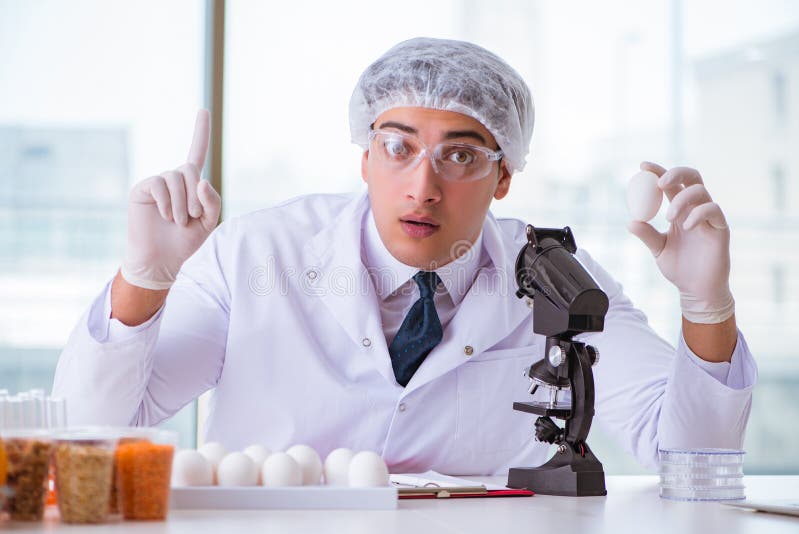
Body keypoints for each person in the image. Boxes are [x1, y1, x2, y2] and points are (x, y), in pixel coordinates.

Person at [52, 37, 756, 475]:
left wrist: (706, 308)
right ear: (365, 157)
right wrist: (143, 282)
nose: (423, 185)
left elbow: (690, 459)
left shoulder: (558, 277)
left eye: (459, 154)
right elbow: (89, 429)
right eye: (398, 146)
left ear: (503, 176)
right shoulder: (254, 254)